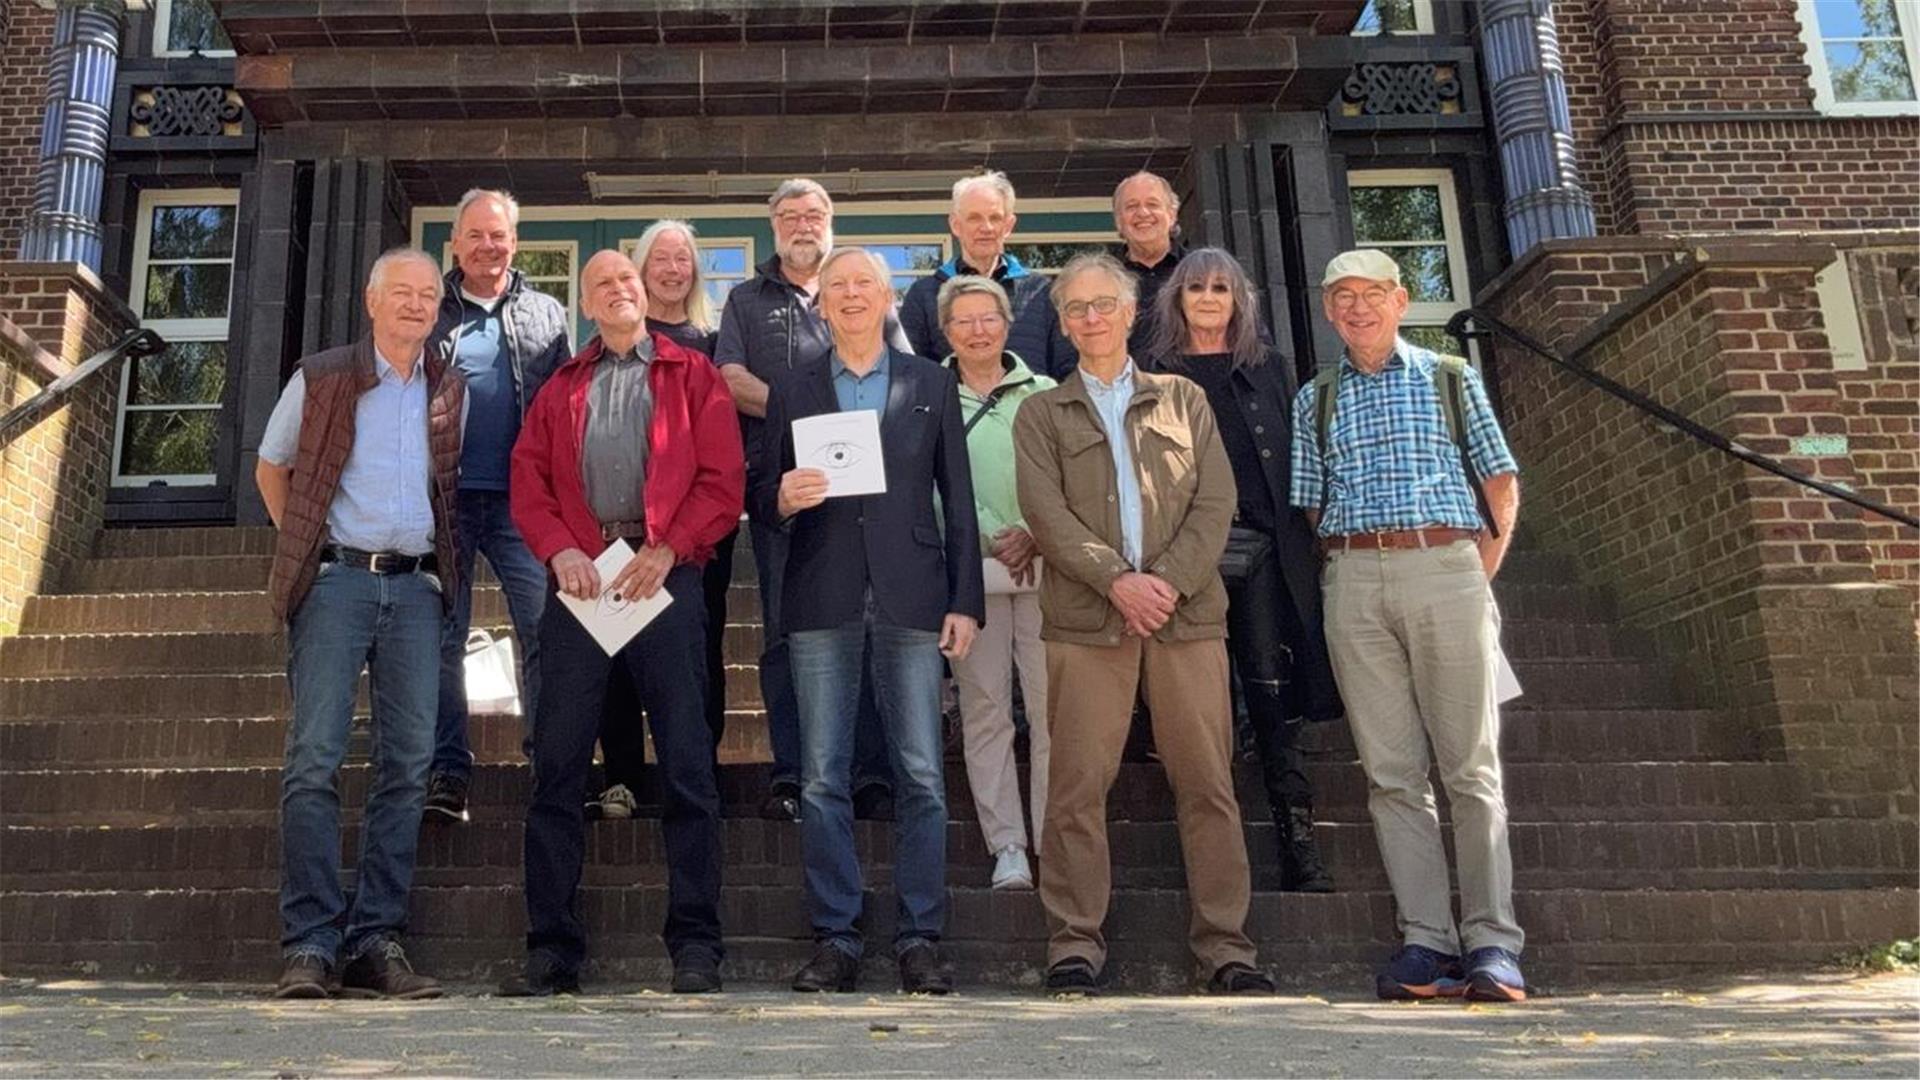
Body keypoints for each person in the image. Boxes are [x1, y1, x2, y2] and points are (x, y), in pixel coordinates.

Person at [1013, 252, 1272, 996]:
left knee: (1208, 784)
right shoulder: (1041, 413)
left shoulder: (1184, 399)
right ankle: (1074, 943)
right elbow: (1047, 517)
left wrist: (1162, 584)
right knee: (1075, 788)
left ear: (1131, 314)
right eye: (1077, 309)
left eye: (1105, 304)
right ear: (1063, 325)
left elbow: (1215, 504)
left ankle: (1226, 947)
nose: (1092, 318)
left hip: (1185, 619)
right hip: (1085, 622)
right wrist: (1116, 581)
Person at [502, 250, 744, 996]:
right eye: (602, 283)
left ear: (645, 294)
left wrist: (670, 548)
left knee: (687, 766)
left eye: (627, 281)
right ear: (586, 302)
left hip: (664, 575)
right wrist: (560, 549)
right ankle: (552, 950)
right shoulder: (562, 386)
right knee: (559, 766)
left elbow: (721, 477)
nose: (618, 291)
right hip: (584, 583)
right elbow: (529, 480)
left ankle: (697, 945)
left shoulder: (692, 374)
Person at [1289, 249, 1525, 1003]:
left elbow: (1500, 482)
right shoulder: (1314, 397)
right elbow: (1313, 505)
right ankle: (1427, 940)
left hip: (1446, 563)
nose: (1357, 309)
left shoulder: (1452, 377)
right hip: (1355, 579)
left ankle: (1493, 940)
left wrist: (1469, 575)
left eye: (1372, 295)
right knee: (1391, 774)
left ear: (1400, 300)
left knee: (1471, 768)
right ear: (1329, 312)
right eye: (1342, 298)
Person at [752, 246, 984, 994]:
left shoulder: (931, 383)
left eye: (865, 285)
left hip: (913, 596)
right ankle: (837, 936)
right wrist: (782, 497)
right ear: (821, 302)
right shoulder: (793, 386)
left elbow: (961, 501)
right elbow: (762, 493)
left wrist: (965, 599)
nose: (851, 296)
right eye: (839, 286)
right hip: (822, 597)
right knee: (822, 776)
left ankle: (920, 935)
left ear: (887, 300)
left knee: (920, 772)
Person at [256, 246, 466, 1000]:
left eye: (427, 296)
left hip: (414, 591)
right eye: (401, 293)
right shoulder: (322, 376)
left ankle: (377, 938)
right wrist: (306, 549)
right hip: (338, 583)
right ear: (371, 301)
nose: (415, 306)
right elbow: (270, 467)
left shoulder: (449, 387)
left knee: (407, 766)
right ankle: (309, 943)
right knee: (314, 759)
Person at [1149, 248, 1341, 893]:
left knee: (1269, 689)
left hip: (1262, 551)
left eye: (1221, 288)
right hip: (1183, 556)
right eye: (1196, 287)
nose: (1208, 298)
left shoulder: (1269, 367)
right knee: (1191, 707)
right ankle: (1203, 853)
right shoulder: (1153, 371)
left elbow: (1301, 457)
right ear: (1177, 297)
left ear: (1239, 300)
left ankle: (1298, 840)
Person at [715, 178, 904, 824]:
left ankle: (871, 775)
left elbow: (902, 376)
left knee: (868, 626)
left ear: (831, 222)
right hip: (782, 491)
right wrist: (801, 412)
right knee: (784, 633)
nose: (803, 225)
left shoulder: (861, 287)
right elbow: (730, 379)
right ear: (774, 228)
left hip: (862, 494)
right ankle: (792, 774)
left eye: (814, 214)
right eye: (790, 215)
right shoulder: (743, 299)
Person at [425, 188, 573, 825]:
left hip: (524, 504)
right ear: (455, 243)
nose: (489, 246)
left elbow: (570, 409)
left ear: (516, 242)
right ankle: (446, 770)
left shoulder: (546, 312)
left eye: (500, 235)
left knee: (545, 628)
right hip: (443, 499)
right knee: (441, 637)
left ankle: (551, 760)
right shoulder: (428, 308)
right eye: (476, 235)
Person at [591, 221, 737, 820]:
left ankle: (697, 771)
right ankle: (621, 775)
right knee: (617, 649)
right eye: (661, 259)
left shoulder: (712, 344)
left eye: (684, 259)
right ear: (639, 273)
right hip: (619, 527)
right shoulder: (611, 341)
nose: (673, 269)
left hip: (696, 532)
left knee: (700, 649)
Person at [937, 275, 1057, 892]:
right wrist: (989, 533)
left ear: (1007, 325)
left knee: (1050, 712)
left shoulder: (1046, 393)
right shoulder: (927, 393)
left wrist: (1034, 529)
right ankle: (1007, 845)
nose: (978, 330)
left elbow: (1069, 477)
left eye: (989, 318)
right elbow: (925, 483)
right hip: (969, 578)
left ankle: (1054, 841)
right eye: (964, 321)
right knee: (986, 713)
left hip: (1046, 571)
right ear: (946, 331)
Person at [899, 171, 1074, 379]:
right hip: (954, 411)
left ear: (1008, 226)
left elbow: (1067, 371)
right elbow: (910, 376)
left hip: (1032, 411)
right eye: (974, 218)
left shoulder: (1043, 293)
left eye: (995, 218)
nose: (986, 228)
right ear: (956, 225)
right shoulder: (923, 296)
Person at [1112, 172, 1189, 359]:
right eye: (1131, 206)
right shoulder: (1104, 281)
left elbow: (1250, 344)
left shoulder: (1205, 275)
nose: (1143, 213)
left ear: (1172, 215)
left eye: (1152, 204)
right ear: (1118, 221)